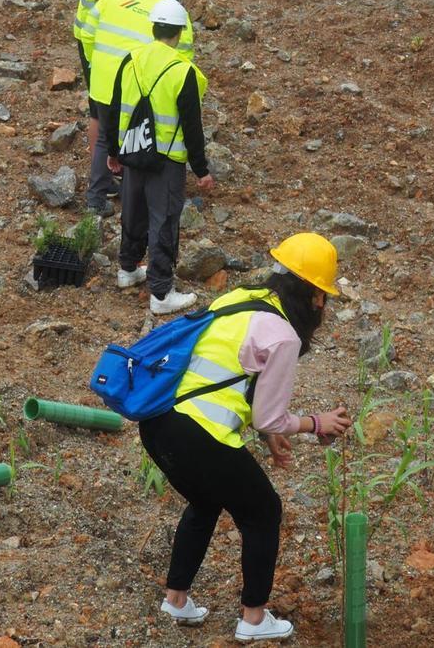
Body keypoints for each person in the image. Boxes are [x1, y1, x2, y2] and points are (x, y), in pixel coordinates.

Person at [138, 232, 353, 642]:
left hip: (160, 423)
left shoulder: (235, 301)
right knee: (263, 511)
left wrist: (268, 432)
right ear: (314, 296)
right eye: (323, 295)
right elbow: (270, 416)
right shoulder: (284, 335)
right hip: (201, 436)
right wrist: (315, 422)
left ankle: (177, 598)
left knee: (205, 502)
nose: (322, 305)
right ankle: (253, 619)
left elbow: (231, 378)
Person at [105, 0, 213, 315]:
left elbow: (112, 110)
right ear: (178, 33)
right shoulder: (184, 72)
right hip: (166, 161)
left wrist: (114, 152)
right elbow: (193, 127)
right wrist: (201, 169)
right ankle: (162, 294)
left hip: (134, 151)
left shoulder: (130, 60)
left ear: (153, 28)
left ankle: (127, 269)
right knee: (163, 221)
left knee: (133, 211)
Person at [82, 0, 192, 218]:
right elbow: (183, 60)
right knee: (140, 135)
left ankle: (95, 199)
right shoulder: (173, 12)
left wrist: (98, 64)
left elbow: (87, 34)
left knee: (104, 137)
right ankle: (138, 199)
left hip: (103, 80)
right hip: (139, 87)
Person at [72, 0, 140, 215]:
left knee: (100, 111)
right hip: (102, 37)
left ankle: (105, 174)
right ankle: (101, 182)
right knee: (102, 112)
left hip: (106, 35)